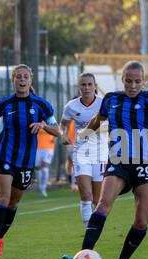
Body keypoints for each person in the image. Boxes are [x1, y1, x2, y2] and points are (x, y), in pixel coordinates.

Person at [62, 61, 148, 259]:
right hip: (118, 162)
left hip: (145, 164)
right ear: (123, 80)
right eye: (128, 81)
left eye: (137, 81)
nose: (133, 85)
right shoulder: (111, 99)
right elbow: (98, 119)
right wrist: (84, 134)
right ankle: (83, 256)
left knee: (141, 221)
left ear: (143, 81)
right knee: (102, 204)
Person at [0, 64, 60, 259]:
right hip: (5, 156)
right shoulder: (5, 103)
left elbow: (57, 130)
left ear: (30, 80)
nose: (22, 80)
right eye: (18, 77)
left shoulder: (41, 105)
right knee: (3, 199)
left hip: (26, 161)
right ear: (13, 80)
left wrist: (43, 125)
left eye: (25, 77)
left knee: (13, 203)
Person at [60, 73, 108, 228]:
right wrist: (63, 135)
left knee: (97, 199)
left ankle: (95, 226)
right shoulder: (71, 106)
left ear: (95, 86)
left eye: (89, 84)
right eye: (83, 85)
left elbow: (112, 124)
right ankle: (89, 229)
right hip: (81, 153)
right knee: (86, 196)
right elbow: (63, 124)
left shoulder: (104, 103)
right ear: (78, 87)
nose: (86, 88)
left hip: (101, 153)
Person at [35, 128, 56, 197]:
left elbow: (57, 130)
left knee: (45, 167)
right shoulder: (36, 120)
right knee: (37, 168)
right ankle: (39, 186)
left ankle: (43, 188)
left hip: (49, 147)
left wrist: (55, 137)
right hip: (37, 147)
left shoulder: (51, 120)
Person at [64, 119, 78, 191]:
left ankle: (73, 182)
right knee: (74, 164)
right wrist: (66, 139)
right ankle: (74, 183)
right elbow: (65, 127)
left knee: (73, 163)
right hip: (72, 144)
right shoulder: (71, 117)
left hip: (80, 143)